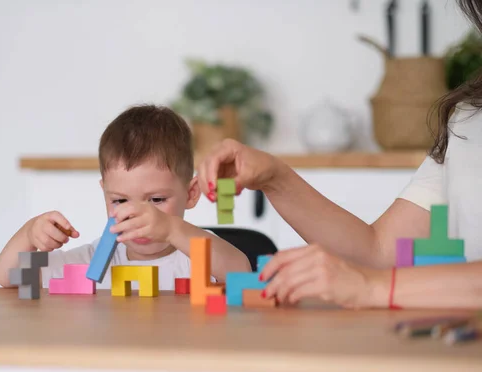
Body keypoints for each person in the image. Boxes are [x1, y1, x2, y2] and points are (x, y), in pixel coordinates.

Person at [197, 0, 482, 310]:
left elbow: (373, 278)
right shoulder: (467, 120)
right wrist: (275, 178)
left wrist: (369, 287)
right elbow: (377, 254)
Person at [0, 105, 250, 289]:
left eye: (156, 200)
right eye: (120, 201)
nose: (138, 215)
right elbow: (6, 276)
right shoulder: (94, 260)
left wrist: (172, 230)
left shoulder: (197, 252)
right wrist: (29, 234)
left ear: (191, 194)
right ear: (104, 193)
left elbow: (241, 272)